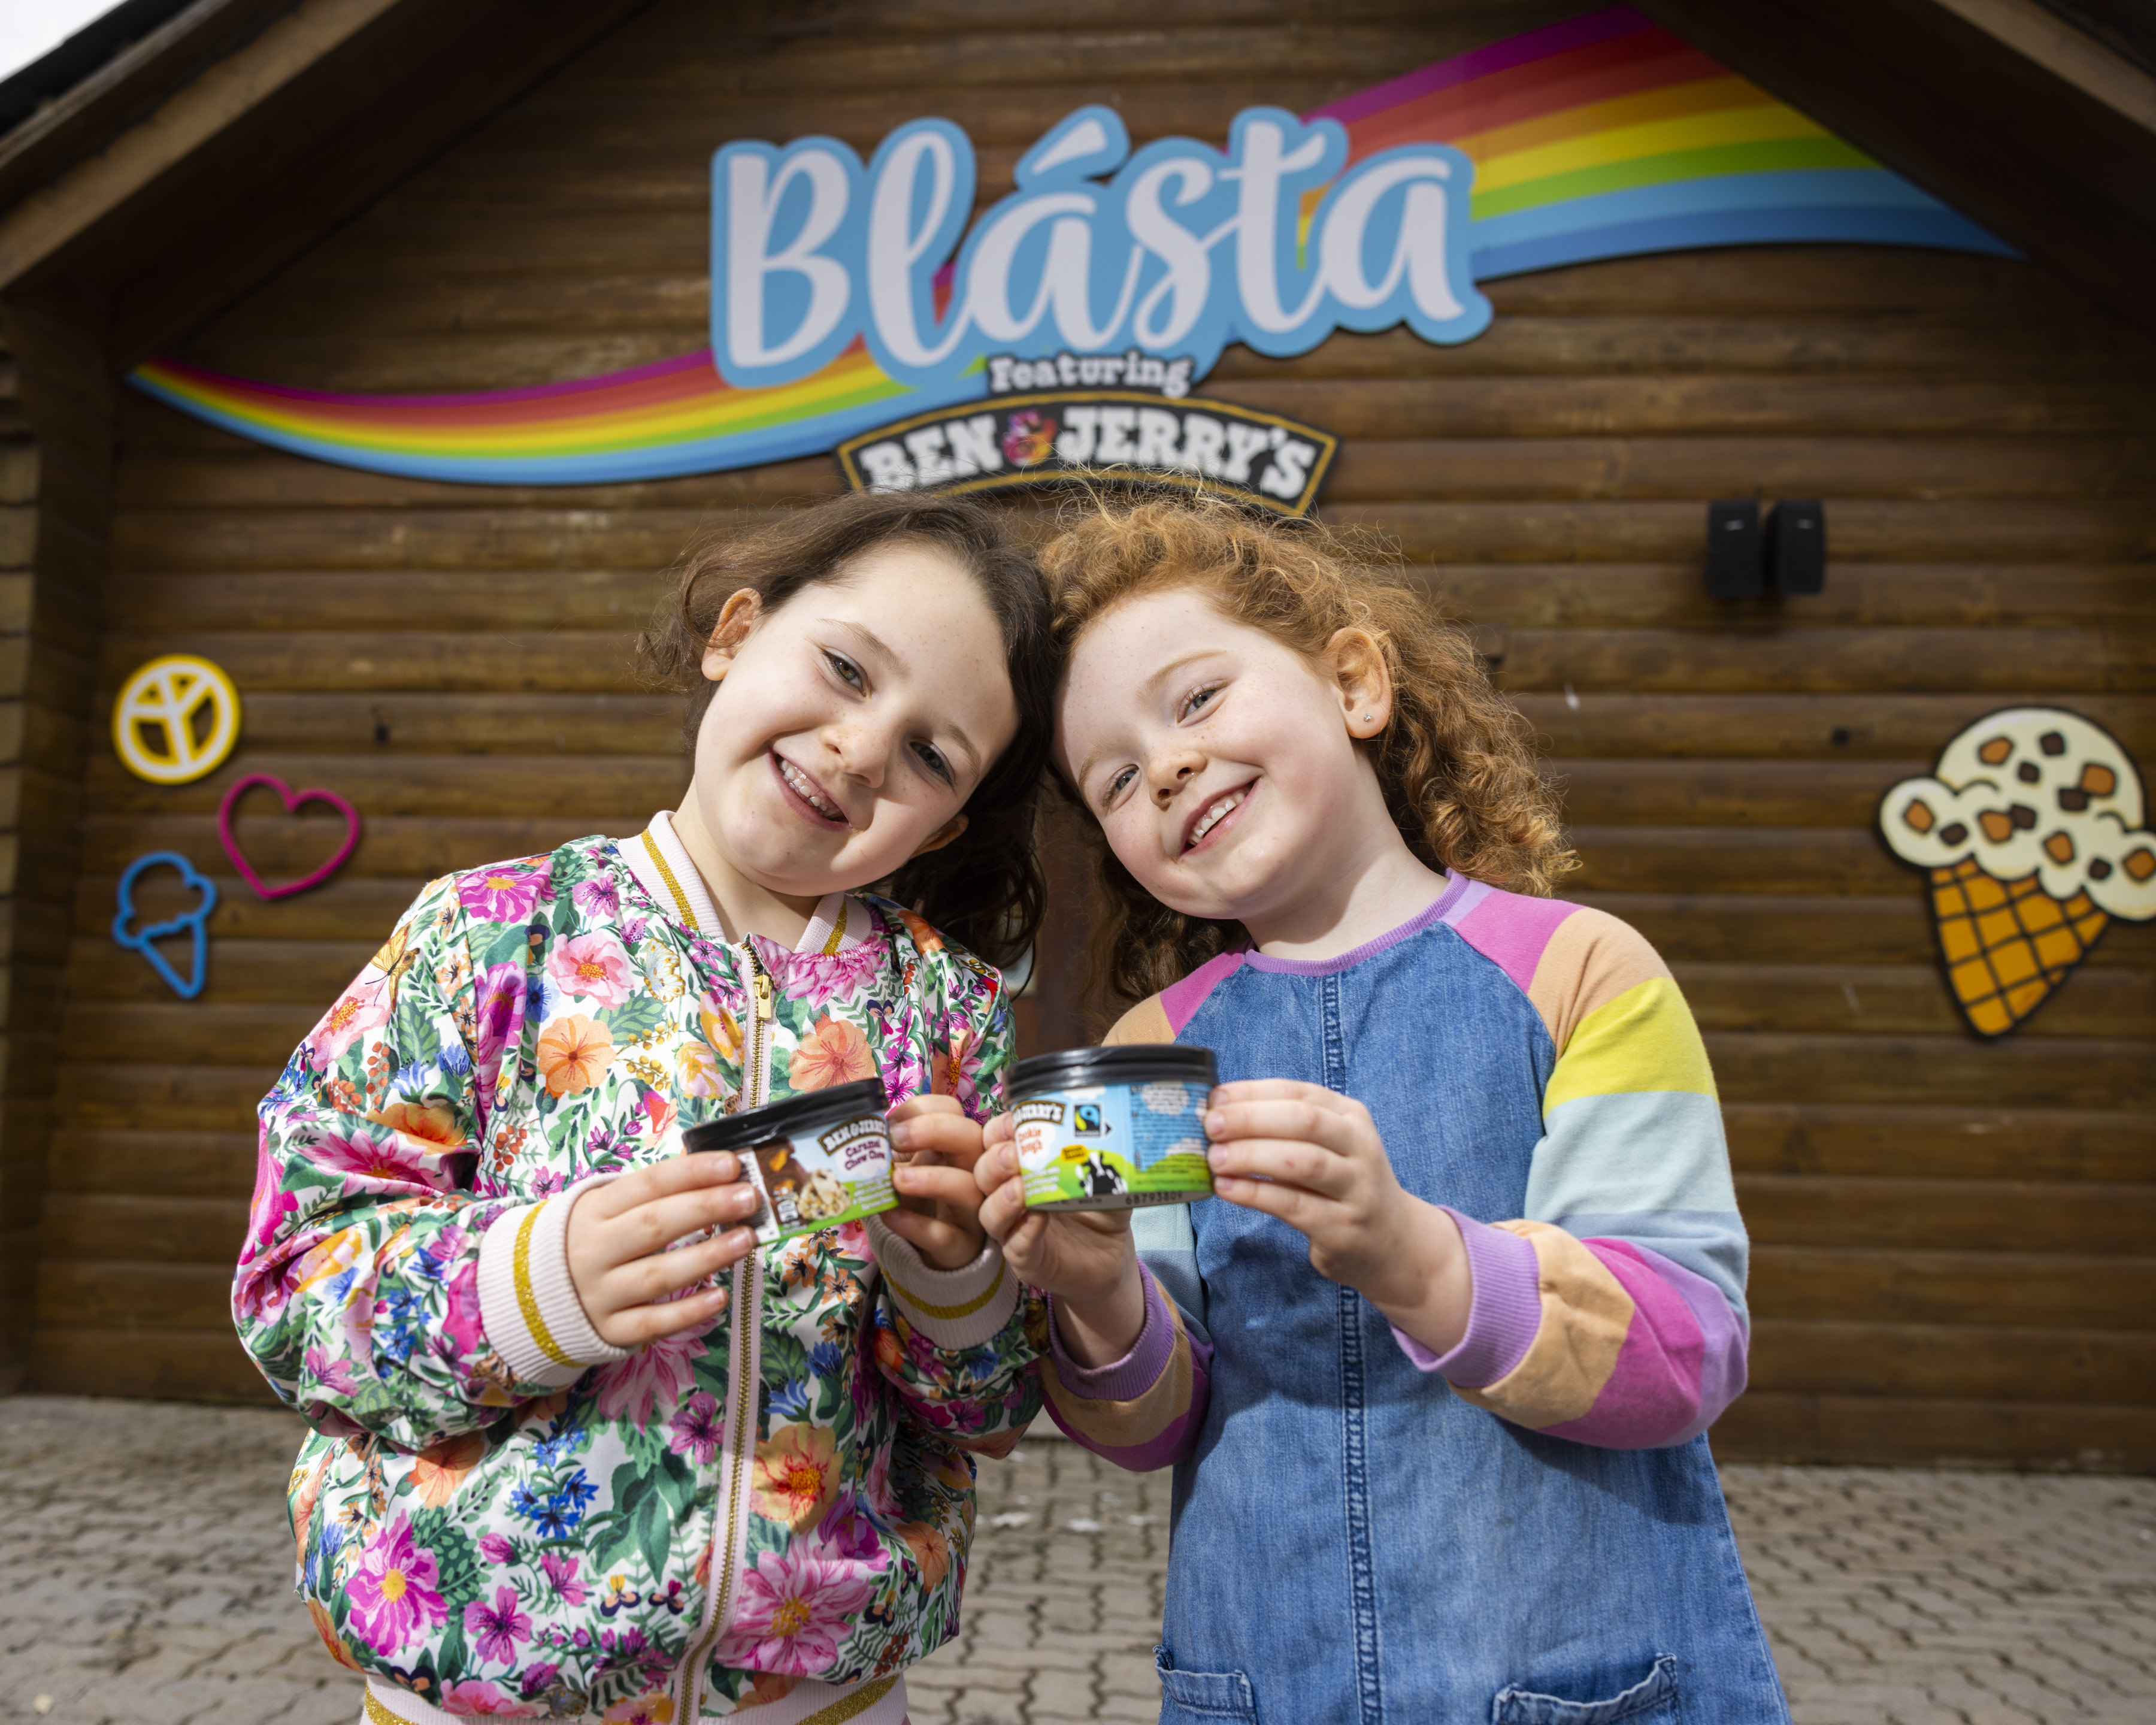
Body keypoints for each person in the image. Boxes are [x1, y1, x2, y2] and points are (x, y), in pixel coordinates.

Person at [235, 492, 1056, 1725]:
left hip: (822, 1698)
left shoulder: (946, 1014)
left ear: (955, 812)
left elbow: (992, 1404)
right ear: (738, 631)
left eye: (933, 753)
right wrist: (535, 1281)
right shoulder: (488, 935)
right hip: (471, 1693)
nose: (861, 749)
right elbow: (290, 1289)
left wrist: (953, 1276)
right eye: (844, 668)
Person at [975, 498, 1789, 1724]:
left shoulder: (1583, 972)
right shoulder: (1150, 1056)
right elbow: (1145, 1427)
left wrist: (1414, 1254)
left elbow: (1686, 1346)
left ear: (1354, 680)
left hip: (1588, 1682)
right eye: (1119, 777)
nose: (1173, 766)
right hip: (1267, 1681)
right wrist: (1094, 1292)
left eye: (1197, 700)